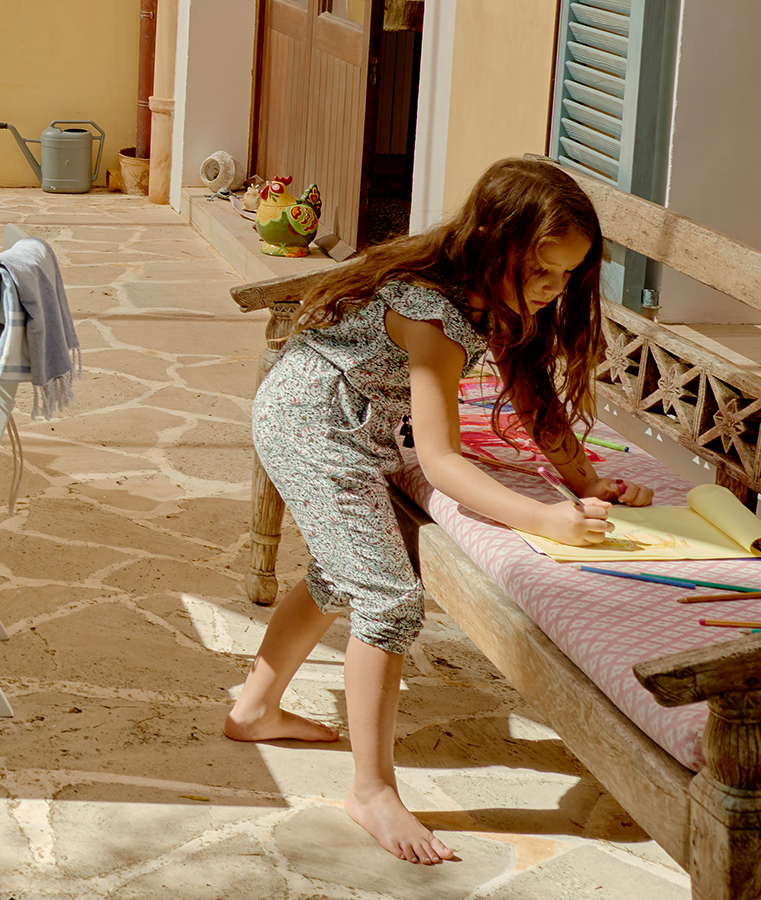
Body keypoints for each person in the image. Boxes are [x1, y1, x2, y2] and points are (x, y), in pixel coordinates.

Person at [219, 158, 658, 866]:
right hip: (311, 423)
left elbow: (531, 393)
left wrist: (588, 482)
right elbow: (445, 461)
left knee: (341, 575)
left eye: (567, 277)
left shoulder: (492, 298)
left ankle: (252, 711)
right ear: (493, 244)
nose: (553, 291)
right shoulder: (429, 313)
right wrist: (541, 519)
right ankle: (370, 790)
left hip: (345, 421)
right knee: (387, 597)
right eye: (542, 273)